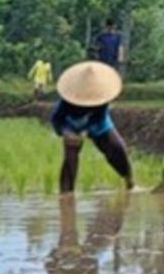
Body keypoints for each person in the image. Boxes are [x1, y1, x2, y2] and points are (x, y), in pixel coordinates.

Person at [50, 61, 133, 195]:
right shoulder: (67, 101)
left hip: (98, 124)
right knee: (70, 160)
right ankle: (66, 195)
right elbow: (56, 119)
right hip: (72, 125)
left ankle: (129, 180)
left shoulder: (101, 98)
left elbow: (99, 117)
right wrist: (65, 132)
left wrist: (86, 131)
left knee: (117, 149)